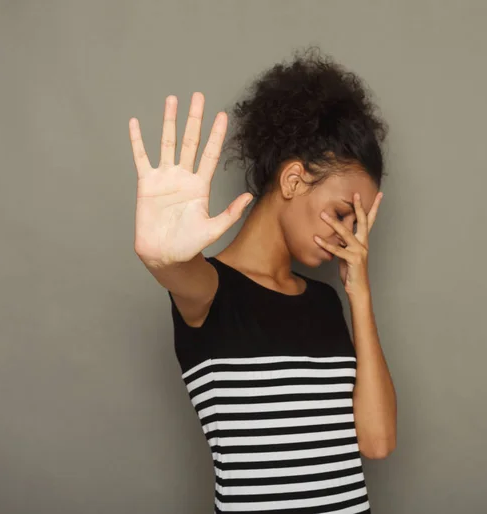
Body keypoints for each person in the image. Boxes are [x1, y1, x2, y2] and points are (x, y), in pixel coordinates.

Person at [129, 47, 397, 513]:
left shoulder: (324, 303)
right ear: (293, 180)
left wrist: (359, 293)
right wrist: (161, 257)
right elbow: (175, 270)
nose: (348, 237)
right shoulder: (210, 290)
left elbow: (377, 443)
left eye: (356, 226)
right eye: (340, 214)